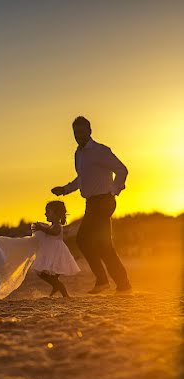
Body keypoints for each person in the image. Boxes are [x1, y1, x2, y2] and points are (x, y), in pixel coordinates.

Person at [51, 116, 131, 294]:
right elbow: (82, 179)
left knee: (83, 240)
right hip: (91, 203)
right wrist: (64, 189)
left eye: (81, 132)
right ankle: (123, 285)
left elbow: (121, 169)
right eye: (75, 133)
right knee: (104, 245)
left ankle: (103, 281)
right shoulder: (78, 154)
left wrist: (114, 190)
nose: (78, 135)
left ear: (89, 131)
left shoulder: (100, 150)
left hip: (104, 201)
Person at [30, 200, 80, 298]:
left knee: (43, 273)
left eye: (48, 212)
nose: (45, 213)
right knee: (49, 275)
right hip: (51, 253)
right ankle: (56, 286)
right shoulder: (52, 226)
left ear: (56, 214)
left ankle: (61, 289)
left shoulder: (57, 226)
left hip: (57, 253)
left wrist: (41, 228)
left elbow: (54, 233)